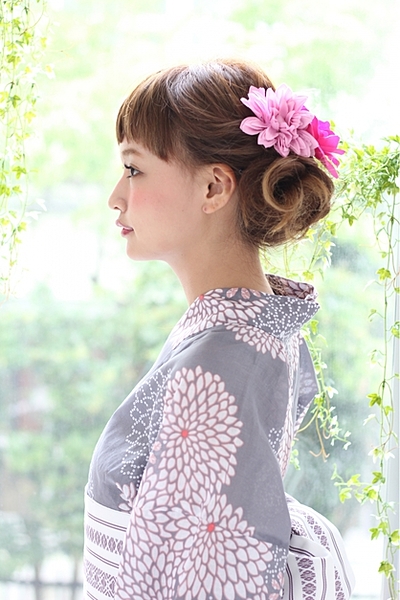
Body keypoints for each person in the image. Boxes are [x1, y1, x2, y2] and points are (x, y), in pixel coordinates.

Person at [83, 59, 355, 600]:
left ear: (213, 186)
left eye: (133, 169)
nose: (116, 196)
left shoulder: (221, 356)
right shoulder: (254, 327)